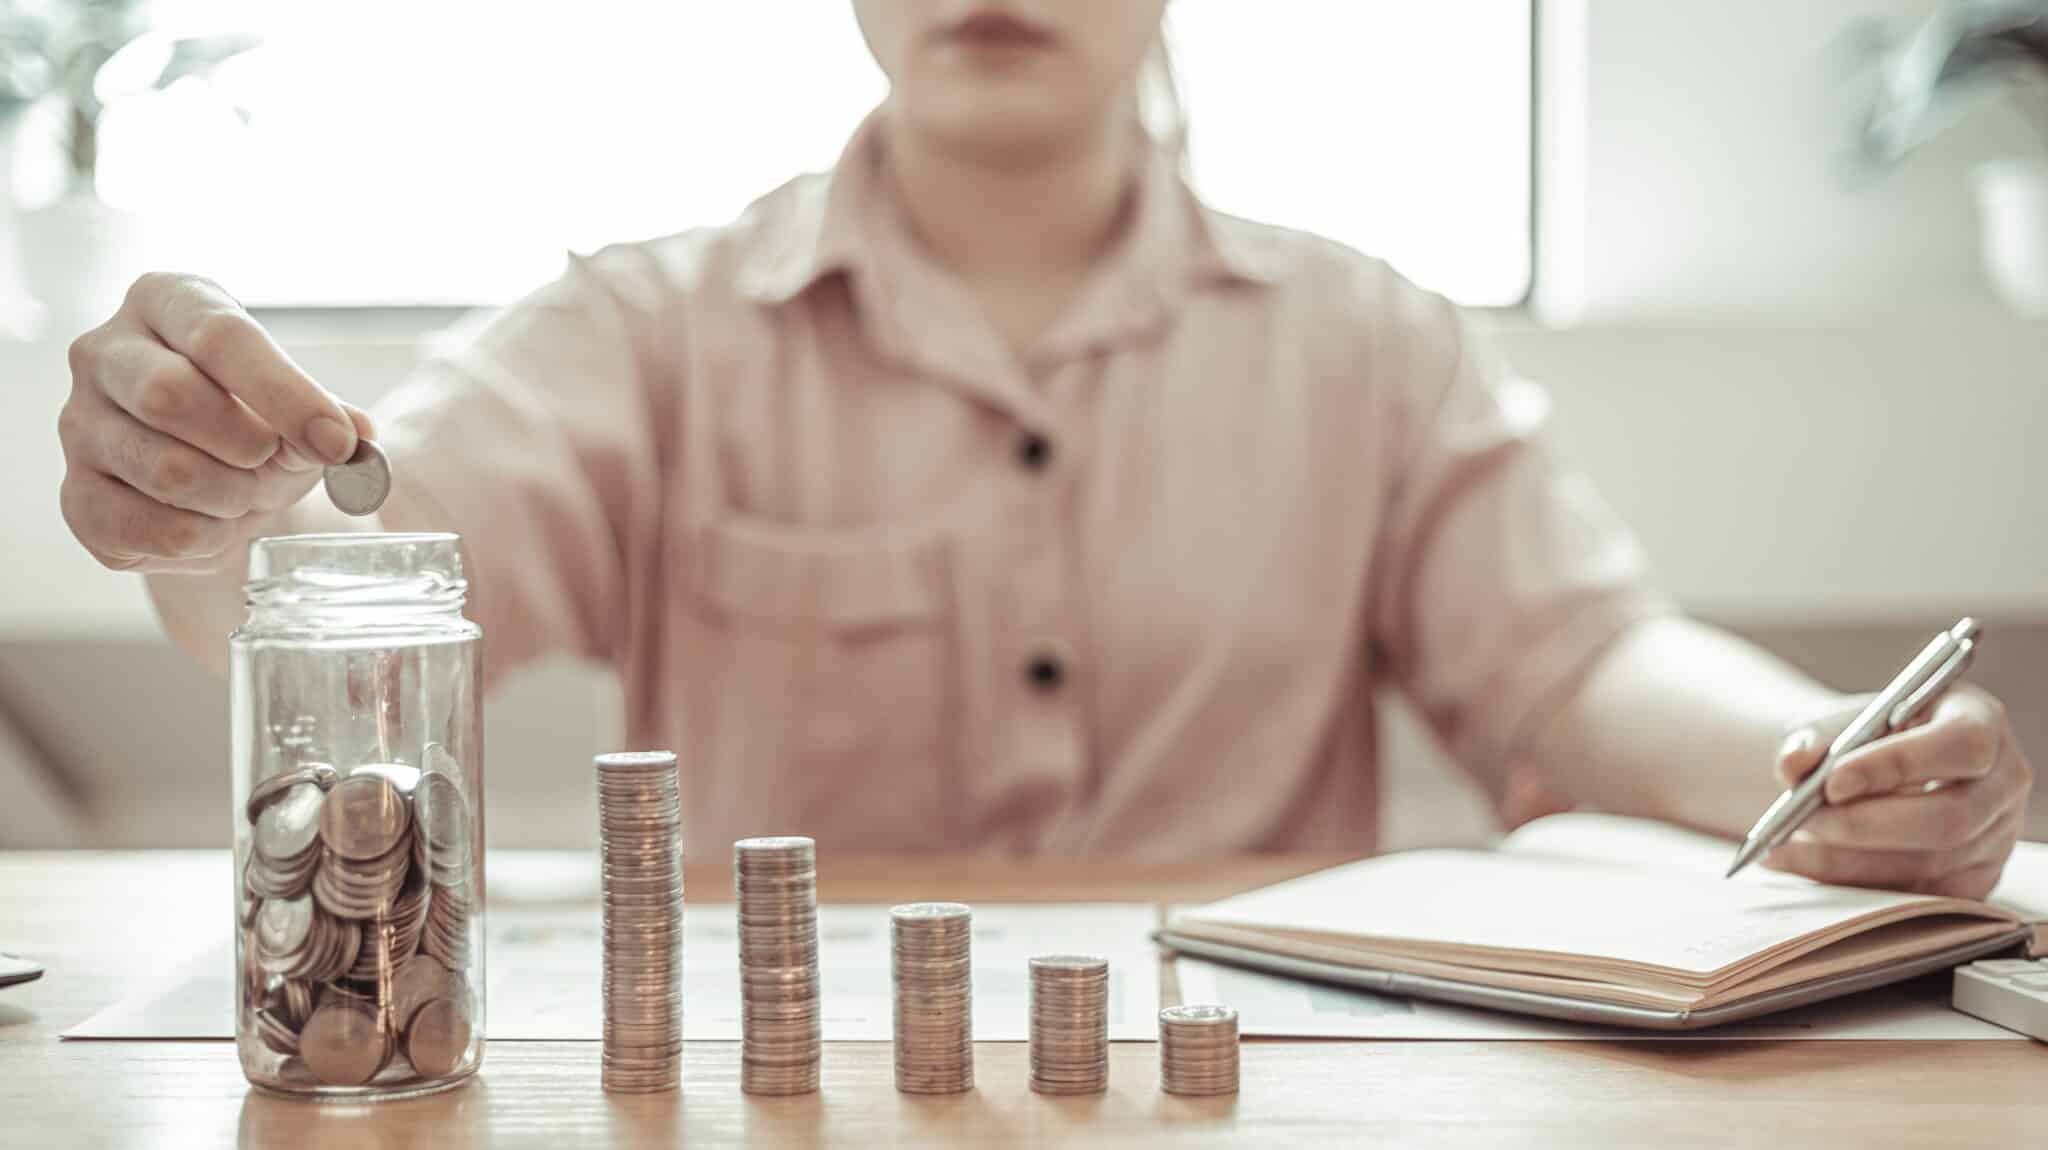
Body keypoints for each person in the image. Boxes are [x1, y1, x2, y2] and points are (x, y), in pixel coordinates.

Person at [55, 1, 2030, 888]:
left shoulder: (1364, 336)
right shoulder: (651, 322)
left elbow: (1582, 655)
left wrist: (1828, 743)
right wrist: (201, 510)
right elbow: (346, 575)